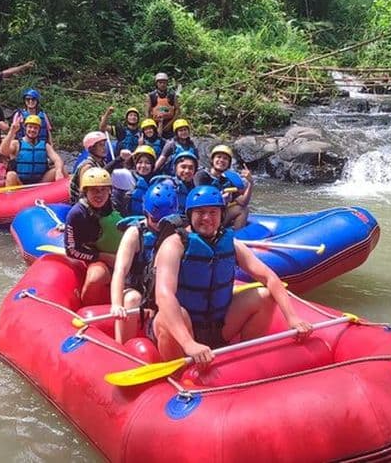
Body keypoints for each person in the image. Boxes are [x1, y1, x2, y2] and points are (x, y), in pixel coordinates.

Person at [151, 185, 313, 363]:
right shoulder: (174, 245)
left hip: (217, 325)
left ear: (221, 215)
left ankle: (246, 361)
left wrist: (292, 317)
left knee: (265, 296)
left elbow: (269, 277)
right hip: (183, 328)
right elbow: (164, 295)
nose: (207, 218)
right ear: (190, 215)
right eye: (201, 212)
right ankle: (180, 375)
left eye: (213, 212)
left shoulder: (232, 244)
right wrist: (189, 343)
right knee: (166, 316)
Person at [110, 181, 179, 343]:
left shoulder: (177, 233)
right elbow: (120, 270)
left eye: (165, 220)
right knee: (132, 299)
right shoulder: (135, 233)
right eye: (156, 220)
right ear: (146, 213)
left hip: (161, 291)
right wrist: (116, 304)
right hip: (134, 288)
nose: (161, 225)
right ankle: (121, 347)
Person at [65, 168, 123, 305]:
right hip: (97, 257)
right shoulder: (77, 214)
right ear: (85, 192)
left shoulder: (118, 205)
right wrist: (104, 257)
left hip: (123, 255)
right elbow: (71, 250)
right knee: (96, 278)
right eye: (94, 190)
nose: (99, 194)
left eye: (103, 190)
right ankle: (87, 309)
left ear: (110, 190)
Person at [194, 145, 253, 229]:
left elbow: (243, 202)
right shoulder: (201, 175)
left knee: (243, 209)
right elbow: (200, 199)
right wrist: (220, 198)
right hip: (204, 215)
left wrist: (250, 183)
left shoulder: (226, 180)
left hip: (218, 215)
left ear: (229, 163)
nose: (221, 160)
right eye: (218, 157)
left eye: (225, 158)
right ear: (212, 160)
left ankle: (234, 238)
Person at [0, 113, 66, 187]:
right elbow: (2, 151)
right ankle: (11, 197)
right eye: (30, 127)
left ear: (39, 130)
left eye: (35, 128)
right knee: (11, 175)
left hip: (40, 183)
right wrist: (11, 132)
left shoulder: (45, 145)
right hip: (21, 183)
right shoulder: (17, 144)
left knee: (61, 169)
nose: (32, 130)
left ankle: (70, 195)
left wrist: (59, 171)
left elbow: (57, 159)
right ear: (25, 128)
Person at [111, 145, 157, 217]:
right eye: (140, 162)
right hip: (128, 221)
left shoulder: (156, 181)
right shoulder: (126, 175)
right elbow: (103, 174)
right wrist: (119, 159)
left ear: (152, 165)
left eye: (147, 163)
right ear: (135, 164)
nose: (143, 166)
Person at [69, 131, 109, 203]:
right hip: (83, 203)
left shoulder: (102, 162)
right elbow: (83, 192)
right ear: (91, 148)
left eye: (104, 145)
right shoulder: (87, 166)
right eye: (101, 145)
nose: (104, 148)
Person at [146, 72, 179, 139]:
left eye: (164, 82)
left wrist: (170, 124)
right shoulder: (151, 95)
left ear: (167, 83)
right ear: (156, 83)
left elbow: (177, 110)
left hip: (169, 123)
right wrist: (152, 125)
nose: (162, 84)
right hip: (156, 123)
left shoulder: (172, 95)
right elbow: (148, 112)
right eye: (160, 82)